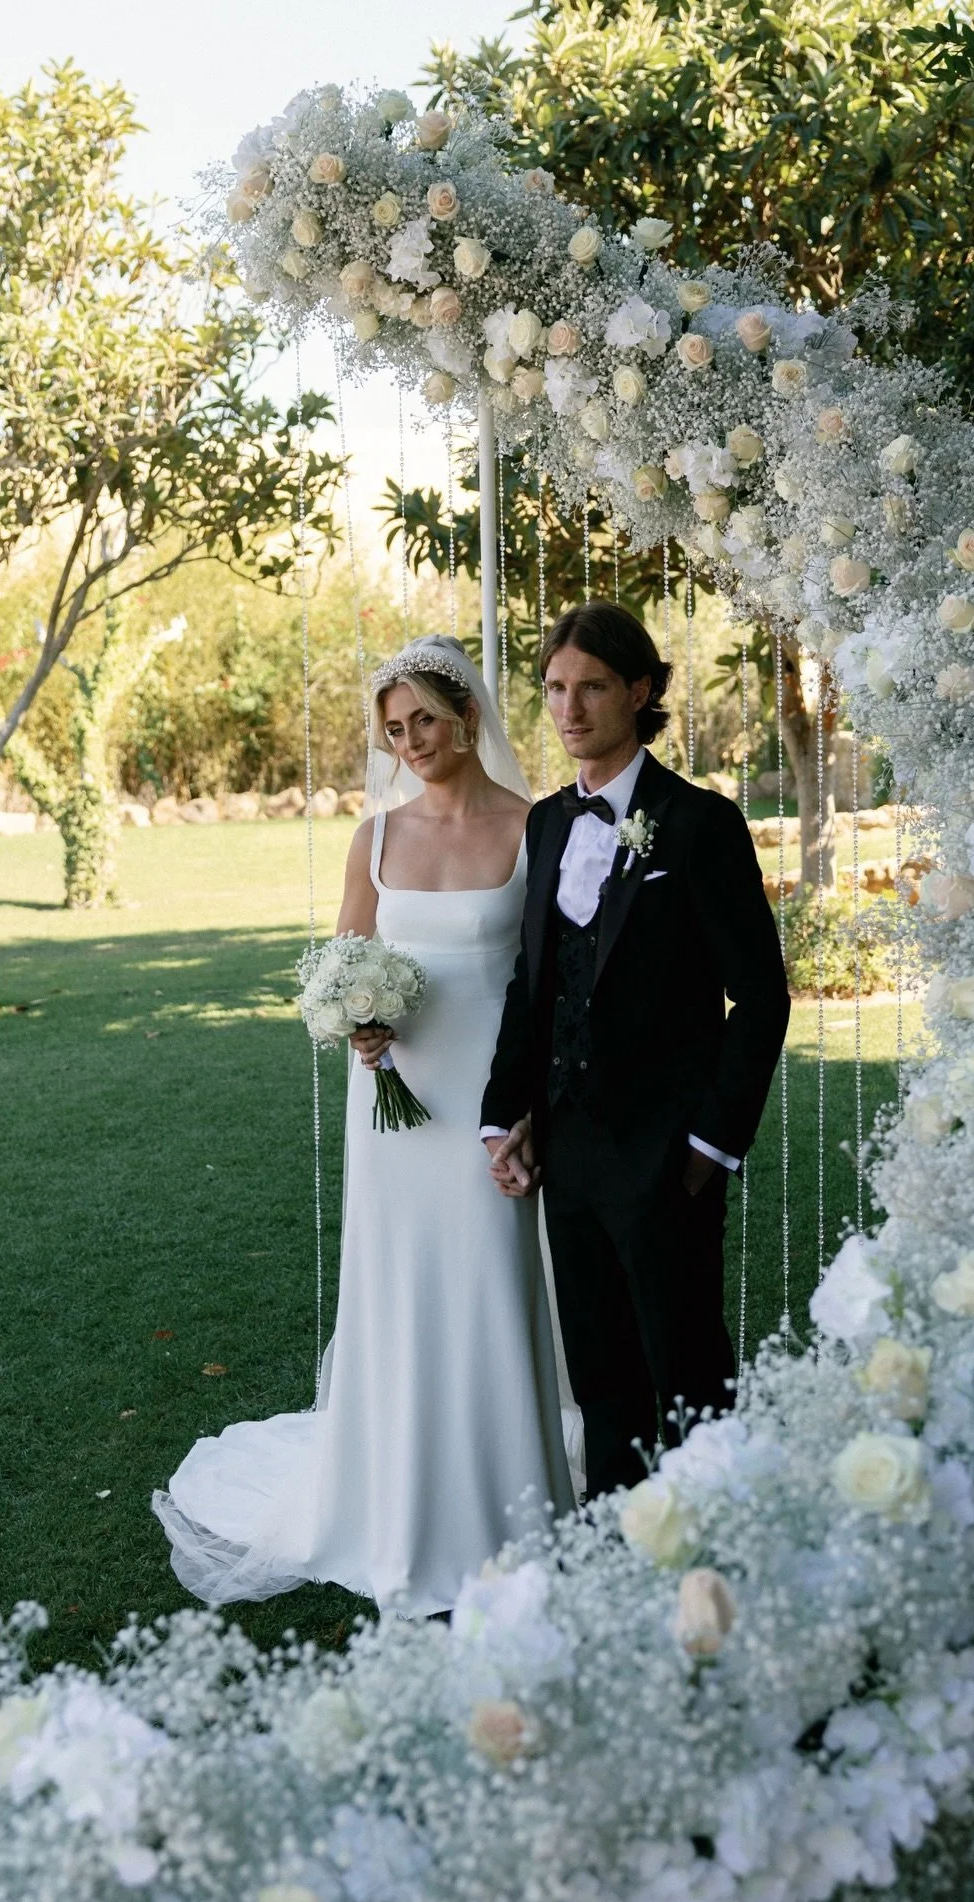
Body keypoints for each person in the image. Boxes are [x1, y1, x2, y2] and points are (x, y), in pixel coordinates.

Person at [154, 637, 574, 1617]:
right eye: (394, 729)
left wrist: (533, 1110)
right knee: (401, 1281)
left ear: (466, 713)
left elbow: (556, 986)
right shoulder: (375, 838)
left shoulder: (536, 827)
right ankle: (394, 1493)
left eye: (425, 717)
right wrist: (357, 1024)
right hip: (396, 1105)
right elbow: (346, 961)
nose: (412, 741)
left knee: (489, 1277)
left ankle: (503, 1497)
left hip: (491, 1099)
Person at [481, 601, 791, 1500]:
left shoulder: (698, 823)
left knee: (690, 1378)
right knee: (604, 1383)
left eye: (591, 688)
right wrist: (507, 1112)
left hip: (666, 1157)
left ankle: (723, 1547)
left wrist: (707, 1146)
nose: (568, 709)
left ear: (641, 690)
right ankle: (618, 1549)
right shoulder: (543, 825)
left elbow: (762, 996)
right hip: (569, 1159)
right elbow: (532, 985)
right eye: (553, 690)